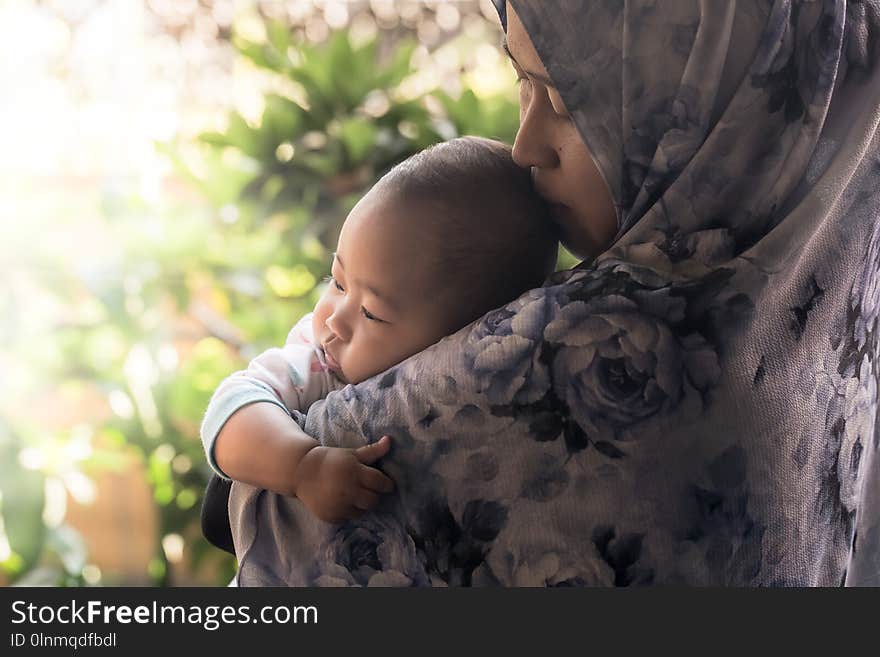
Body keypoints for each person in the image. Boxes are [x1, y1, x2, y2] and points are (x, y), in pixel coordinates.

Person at [225, 0, 880, 586]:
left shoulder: (596, 353)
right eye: (523, 84)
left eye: (567, 105)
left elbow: (286, 518)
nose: (524, 145)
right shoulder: (840, 326)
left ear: (713, 103)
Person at [199, 137, 559, 556]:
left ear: (462, 341)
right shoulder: (317, 362)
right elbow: (233, 407)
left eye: (371, 314)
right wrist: (301, 466)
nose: (334, 320)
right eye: (336, 281)